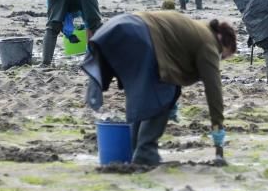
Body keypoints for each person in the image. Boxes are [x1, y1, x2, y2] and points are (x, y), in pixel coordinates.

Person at [82, 13, 236, 165]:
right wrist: (218, 126)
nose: (218, 59)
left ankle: (136, 149)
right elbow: (213, 88)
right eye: (222, 56)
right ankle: (145, 153)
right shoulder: (209, 43)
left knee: (141, 95)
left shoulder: (198, 29)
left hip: (121, 27)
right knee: (162, 97)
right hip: (140, 35)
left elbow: (175, 62)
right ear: (222, 41)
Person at [42, 0, 103, 66]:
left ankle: (45, 63)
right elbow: (91, 24)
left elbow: (55, 20)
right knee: (96, 25)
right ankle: (107, 58)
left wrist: (69, 35)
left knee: (52, 27)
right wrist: (70, 35)